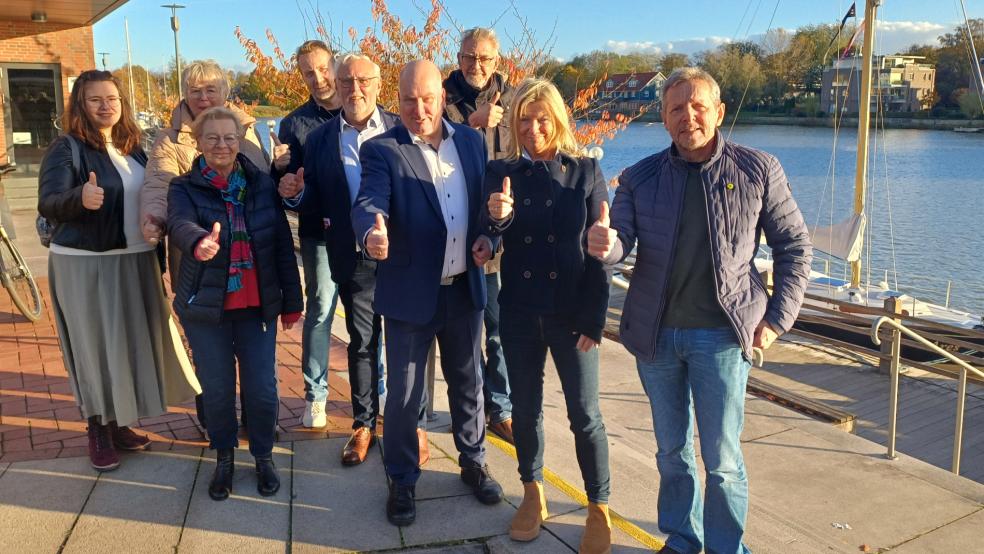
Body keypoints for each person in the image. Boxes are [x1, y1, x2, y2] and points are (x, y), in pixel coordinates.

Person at [588, 67, 813, 554]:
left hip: (724, 337)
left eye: (697, 106)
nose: (687, 116)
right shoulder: (639, 178)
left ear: (719, 112)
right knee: (671, 453)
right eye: (676, 108)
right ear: (664, 117)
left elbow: (795, 247)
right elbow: (620, 243)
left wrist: (777, 320)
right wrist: (605, 246)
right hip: (657, 337)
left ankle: (727, 548)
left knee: (723, 461)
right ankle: (683, 539)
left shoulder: (758, 170)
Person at [352, 60, 503, 526]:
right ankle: (402, 478)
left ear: (443, 96)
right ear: (396, 101)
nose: (418, 110)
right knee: (403, 394)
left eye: (427, 99)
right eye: (408, 101)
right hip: (409, 294)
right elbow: (368, 202)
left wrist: (490, 236)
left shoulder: (472, 142)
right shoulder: (382, 149)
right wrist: (371, 233)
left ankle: (473, 461)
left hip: (463, 290)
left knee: (469, 382)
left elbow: (486, 208)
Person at [37, 70, 199, 472]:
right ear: (80, 105)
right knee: (94, 348)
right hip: (86, 262)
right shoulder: (67, 147)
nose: (106, 106)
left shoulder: (134, 148)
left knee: (126, 346)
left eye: (112, 98)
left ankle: (119, 422)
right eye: (95, 99)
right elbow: (48, 201)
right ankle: (97, 427)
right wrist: (79, 197)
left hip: (136, 258)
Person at [278, 53, 430, 466]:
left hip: (403, 257)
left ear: (379, 84)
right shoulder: (320, 139)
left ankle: (415, 424)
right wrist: (297, 194)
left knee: (409, 342)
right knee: (363, 342)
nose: (355, 89)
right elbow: (316, 199)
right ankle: (364, 425)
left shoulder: (402, 129)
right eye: (346, 81)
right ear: (337, 84)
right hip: (354, 256)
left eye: (363, 81)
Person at [483, 77, 612, 553]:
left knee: (585, 415)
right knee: (525, 409)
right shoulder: (501, 172)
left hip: (572, 313)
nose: (533, 129)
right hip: (518, 309)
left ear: (557, 119)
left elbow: (600, 246)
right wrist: (495, 221)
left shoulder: (586, 171)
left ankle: (598, 506)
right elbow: (488, 231)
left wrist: (595, 316)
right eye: (524, 120)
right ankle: (532, 491)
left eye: (542, 119)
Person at [167, 106, 303, 501]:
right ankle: (224, 458)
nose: (222, 145)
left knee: (261, 388)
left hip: (256, 305)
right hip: (206, 306)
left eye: (229, 137)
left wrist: (292, 301)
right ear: (199, 142)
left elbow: (281, 244)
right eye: (212, 138)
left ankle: (263, 456)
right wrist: (198, 242)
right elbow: (179, 223)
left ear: (240, 141)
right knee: (217, 389)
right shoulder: (183, 187)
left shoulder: (261, 185)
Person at [140, 59, 268, 431]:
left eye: (211, 89)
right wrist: (154, 219)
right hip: (197, 257)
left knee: (254, 348)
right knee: (207, 346)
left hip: (247, 258)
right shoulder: (170, 139)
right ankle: (215, 420)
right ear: (184, 94)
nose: (203, 97)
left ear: (225, 93)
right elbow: (159, 184)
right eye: (195, 90)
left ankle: (257, 418)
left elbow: (262, 184)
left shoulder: (248, 132)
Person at [443, 26, 513, 443]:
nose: (476, 65)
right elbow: (433, 150)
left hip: (501, 237)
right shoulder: (442, 99)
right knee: (461, 334)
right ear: (459, 58)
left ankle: (501, 407)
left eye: (485, 58)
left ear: (496, 61)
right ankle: (468, 406)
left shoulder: (514, 100)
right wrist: (473, 123)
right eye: (469, 56)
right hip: (454, 235)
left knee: (499, 331)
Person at [272, 41, 343, 428]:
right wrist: (280, 169)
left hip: (365, 234)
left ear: (335, 65)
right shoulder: (294, 124)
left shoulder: (368, 112)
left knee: (372, 314)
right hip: (319, 234)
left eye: (322, 68)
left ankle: (378, 386)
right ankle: (316, 396)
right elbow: (288, 186)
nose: (317, 78)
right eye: (307, 73)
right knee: (320, 311)